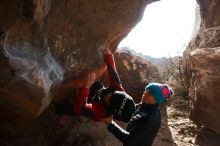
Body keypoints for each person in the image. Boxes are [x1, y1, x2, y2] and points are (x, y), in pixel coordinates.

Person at [73, 47, 136, 122]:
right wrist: (109, 56)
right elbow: (113, 73)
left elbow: (79, 109)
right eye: (112, 94)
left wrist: (86, 88)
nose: (109, 95)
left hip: (93, 104)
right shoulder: (119, 91)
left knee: (71, 107)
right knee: (98, 85)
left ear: (110, 107)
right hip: (97, 94)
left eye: (110, 99)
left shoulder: (102, 112)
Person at [101, 82, 174, 146]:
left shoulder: (150, 119)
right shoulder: (143, 106)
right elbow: (129, 114)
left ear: (157, 100)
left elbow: (131, 141)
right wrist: (110, 113)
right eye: (146, 90)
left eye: (150, 93)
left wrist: (110, 124)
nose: (145, 93)